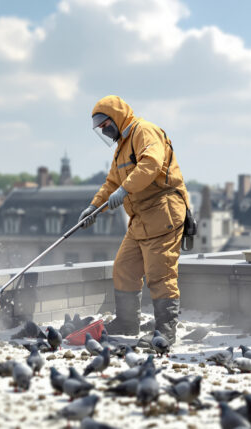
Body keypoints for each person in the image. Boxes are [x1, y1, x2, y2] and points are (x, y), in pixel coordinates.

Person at [79, 95, 190, 343]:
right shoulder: (121, 148)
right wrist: (94, 207)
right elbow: (111, 183)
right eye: (100, 128)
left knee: (160, 275)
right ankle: (128, 323)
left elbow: (151, 163)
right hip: (140, 219)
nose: (104, 130)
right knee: (124, 268)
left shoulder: (144, 131)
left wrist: (125, 189)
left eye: (106, 124)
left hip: (163, 214)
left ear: (117, 117)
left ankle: (165, 332)